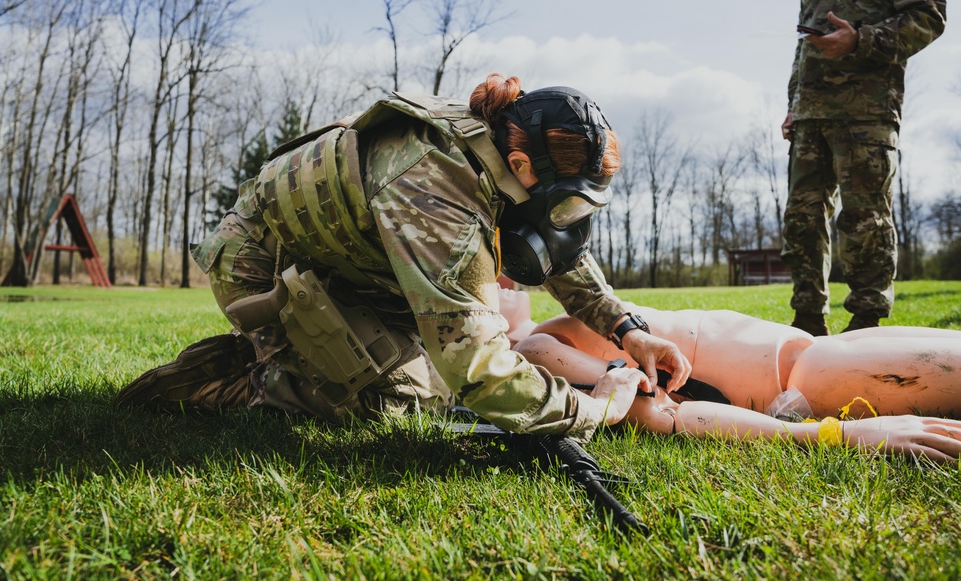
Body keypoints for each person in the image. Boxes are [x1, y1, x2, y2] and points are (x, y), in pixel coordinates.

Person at [117, 74, 689, 443]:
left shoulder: (499, 149)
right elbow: (481, 375)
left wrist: (628, 330)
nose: (569, 222)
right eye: (566, 207)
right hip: (264, 268)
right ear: (521, 167)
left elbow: (558, 249)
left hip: (350, 263)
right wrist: (597, 410)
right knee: (396, 401)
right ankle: (250, 375)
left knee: (430, 383)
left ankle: (296, 351)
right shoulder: (436, 189)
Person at [497, 288, 961, 465]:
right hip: (812, 381)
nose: (500, 282)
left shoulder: (563, 320)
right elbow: (660, 412)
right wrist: (839, 433)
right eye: (493, 281)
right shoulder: (538, 354)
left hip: (821, 351)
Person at [780, 0, 947, 336]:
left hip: (866, 111)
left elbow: (929, 17)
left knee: (864, 221)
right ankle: (807, 322)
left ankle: (866, 326)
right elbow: (806, 44)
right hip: (810, 113)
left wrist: (861, 38)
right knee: (802, 221)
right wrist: (793, 103)